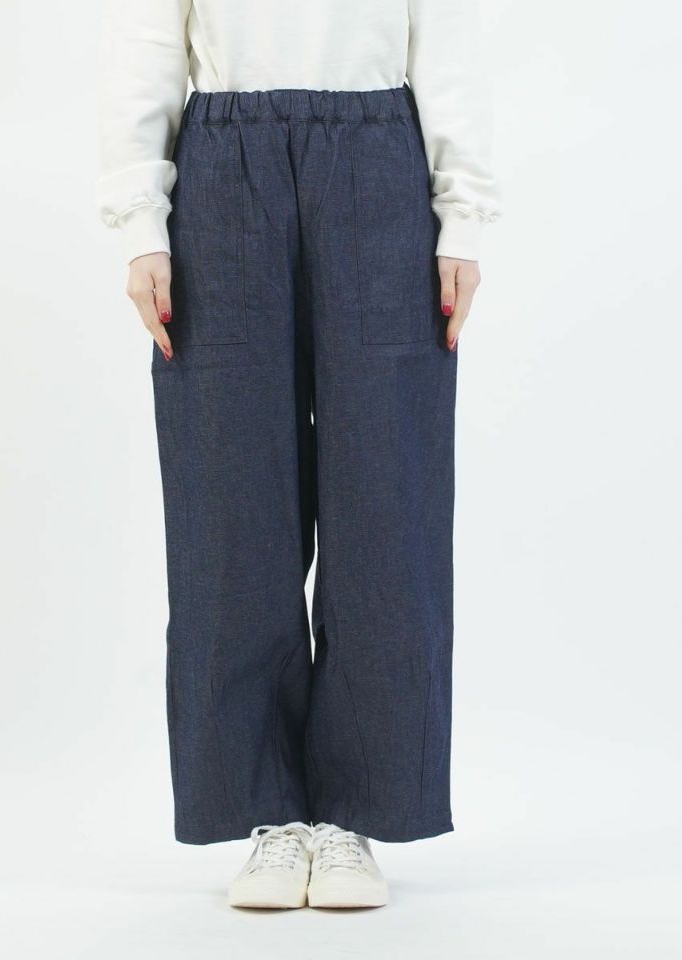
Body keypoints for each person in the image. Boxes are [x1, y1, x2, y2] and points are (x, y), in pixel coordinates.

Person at [97, 0, 500, 910]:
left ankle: (355, 815)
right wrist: (140, 224)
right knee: (228, 502)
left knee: (386, 497)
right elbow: (143, 44)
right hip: (221, 163)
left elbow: (448, 42)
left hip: (381, 158)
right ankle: (267, 815)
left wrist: (463, 217)